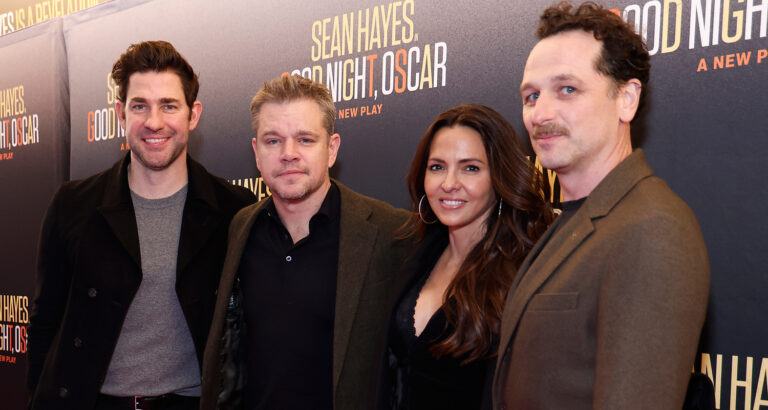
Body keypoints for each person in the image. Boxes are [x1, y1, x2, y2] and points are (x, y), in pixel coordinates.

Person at [493, 2, 710, 409]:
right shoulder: (571, 220)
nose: (540, 113)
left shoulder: (652, 229)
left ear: (626, 99)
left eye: (567, 89)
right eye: (531, 95)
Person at [26, 41, 255, 410]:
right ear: (120, 113)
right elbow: (45, 323)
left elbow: (246, 332)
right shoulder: (73, 206)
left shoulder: (234, 211)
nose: (154, 122)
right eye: (139, 106)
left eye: (169, 105)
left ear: (193, 115)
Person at [199, 74, 410, 410]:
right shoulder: (241, 228)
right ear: (256, 152)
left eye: (306, 140)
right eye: (272, 141)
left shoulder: (389, 233)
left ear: (332, 148)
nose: (288, 154)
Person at [385, 104, 553, 409]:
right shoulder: (418, 253)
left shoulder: (523, 272)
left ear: (499, 177)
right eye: (437, 167)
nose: (449, 183)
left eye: (470, 168)